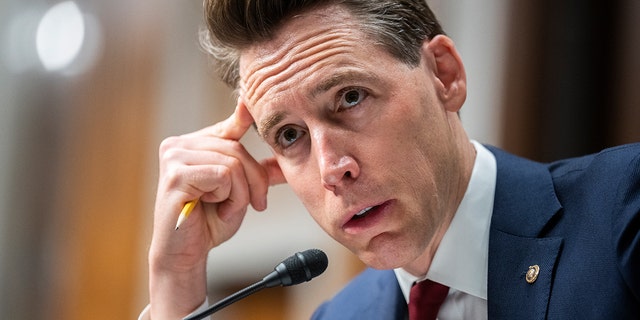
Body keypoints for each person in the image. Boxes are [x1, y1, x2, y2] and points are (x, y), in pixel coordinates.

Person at [140, 0, 640, 319]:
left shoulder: (624, 211)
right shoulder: (339, 318)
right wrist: (174, 287)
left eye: (350, 97)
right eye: (290, 135)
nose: (332, 169)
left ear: (443, 76)